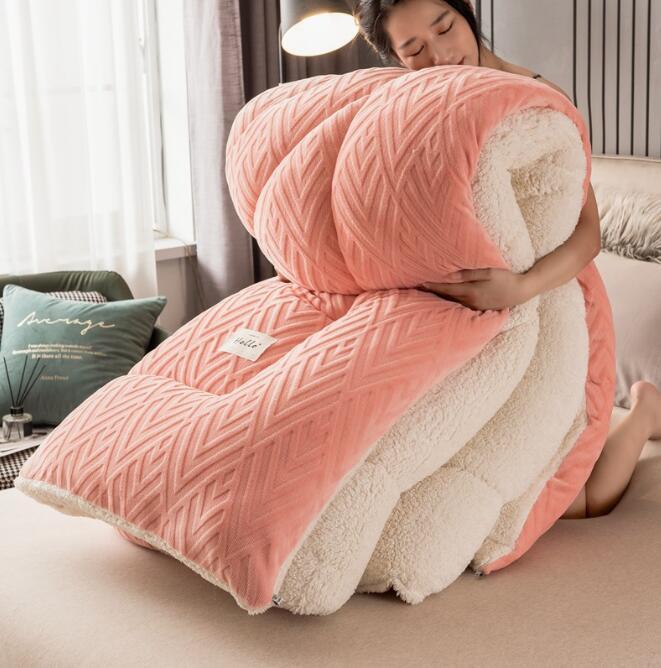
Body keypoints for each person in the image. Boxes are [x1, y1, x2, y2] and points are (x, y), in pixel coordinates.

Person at [354, 0, 661, 519]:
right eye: (414, 50)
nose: (440, 56)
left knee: (573, 503)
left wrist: (518, 289)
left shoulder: (539, 100)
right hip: (467, 317)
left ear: (467, 12)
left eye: (445, 28)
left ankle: (643, 411)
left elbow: (588, 236)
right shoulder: (417, 109)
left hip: (551, 297)